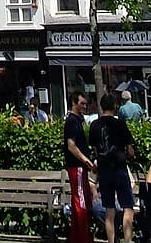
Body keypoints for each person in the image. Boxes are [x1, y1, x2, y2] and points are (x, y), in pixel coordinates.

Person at [89, 91, 136, 243]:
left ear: (101, 106)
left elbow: (95, 149)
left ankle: (111, 241)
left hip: (104, 171)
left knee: (109, 210)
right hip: (120, 169)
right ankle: (127, 240)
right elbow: (130, 150)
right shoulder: (120, 124)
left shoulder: (95, 125)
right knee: (128, 207)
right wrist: (129, 153)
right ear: (115, 106)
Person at [64, 87, 97, 243]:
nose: (85, 106)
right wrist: (86, 160)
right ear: (74, 103)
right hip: (76, 166)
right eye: (82, 104)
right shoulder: (71, 121)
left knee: (81, 200)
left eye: (86, 104)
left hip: (80, 166)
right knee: (80, 201)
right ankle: (82, 237)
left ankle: (77, 236)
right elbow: (71, 145)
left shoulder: (78, 120)